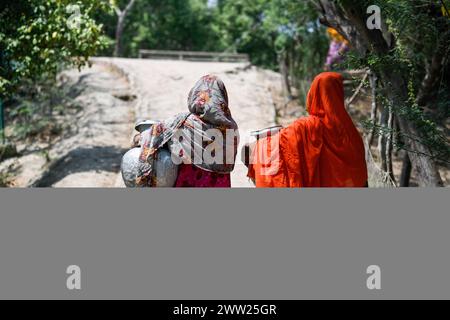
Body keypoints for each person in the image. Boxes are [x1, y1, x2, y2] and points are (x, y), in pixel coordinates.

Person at [247, 72, 368, 188]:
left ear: (315, 93)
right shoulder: (351, 132)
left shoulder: (307, 126)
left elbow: (279, 143)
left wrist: (257, 144)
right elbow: (358, 175)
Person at [136, 75, 239, 188]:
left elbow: (153, 133)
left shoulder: (184, 121)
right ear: (222, 98)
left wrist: (137, 139)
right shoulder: (231, 128)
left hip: (189, 182)